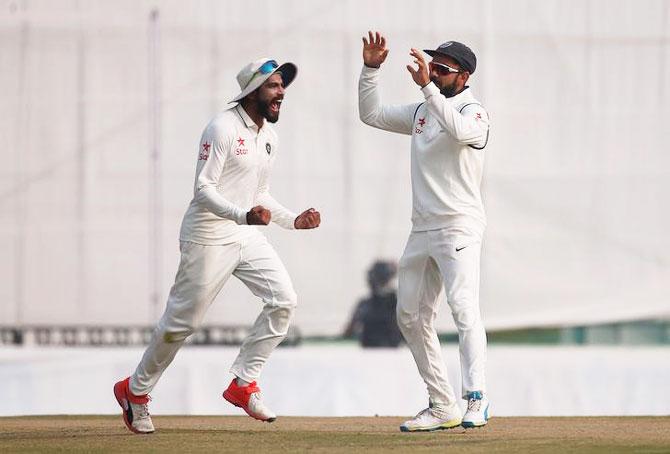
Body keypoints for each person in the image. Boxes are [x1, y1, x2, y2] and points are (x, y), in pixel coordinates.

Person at [113, 57, 321, 434]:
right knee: (182, 324)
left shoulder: (269, 136)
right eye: (274, 85)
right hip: (207, 234)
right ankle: (135, 391)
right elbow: (203, 189)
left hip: (243, 234)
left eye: (282, 85)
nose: (281, 92)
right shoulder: (222, 128)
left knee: (284, 300)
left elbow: (259, 194)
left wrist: (292, 220)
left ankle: (243, 384)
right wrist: (243, 215)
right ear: (253, 90)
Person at [358, 31, 491, 432]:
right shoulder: (421, 112)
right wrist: (370, 69)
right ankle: (441, 404)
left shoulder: (474, 111)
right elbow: (372, 114)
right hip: (422, 229)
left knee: (464, 309)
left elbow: (463, 133)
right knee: (410, 316)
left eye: (442, 69)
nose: (433, 72)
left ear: (463, 77)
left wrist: (429, 89)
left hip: (459, 226)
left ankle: (477, 398)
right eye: (432, 66)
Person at [342, 260, 403, 347]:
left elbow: (348, 332)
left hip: (391, 354)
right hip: (371, 354)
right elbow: (348, 332)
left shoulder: (397, 304)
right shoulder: (365, 305)